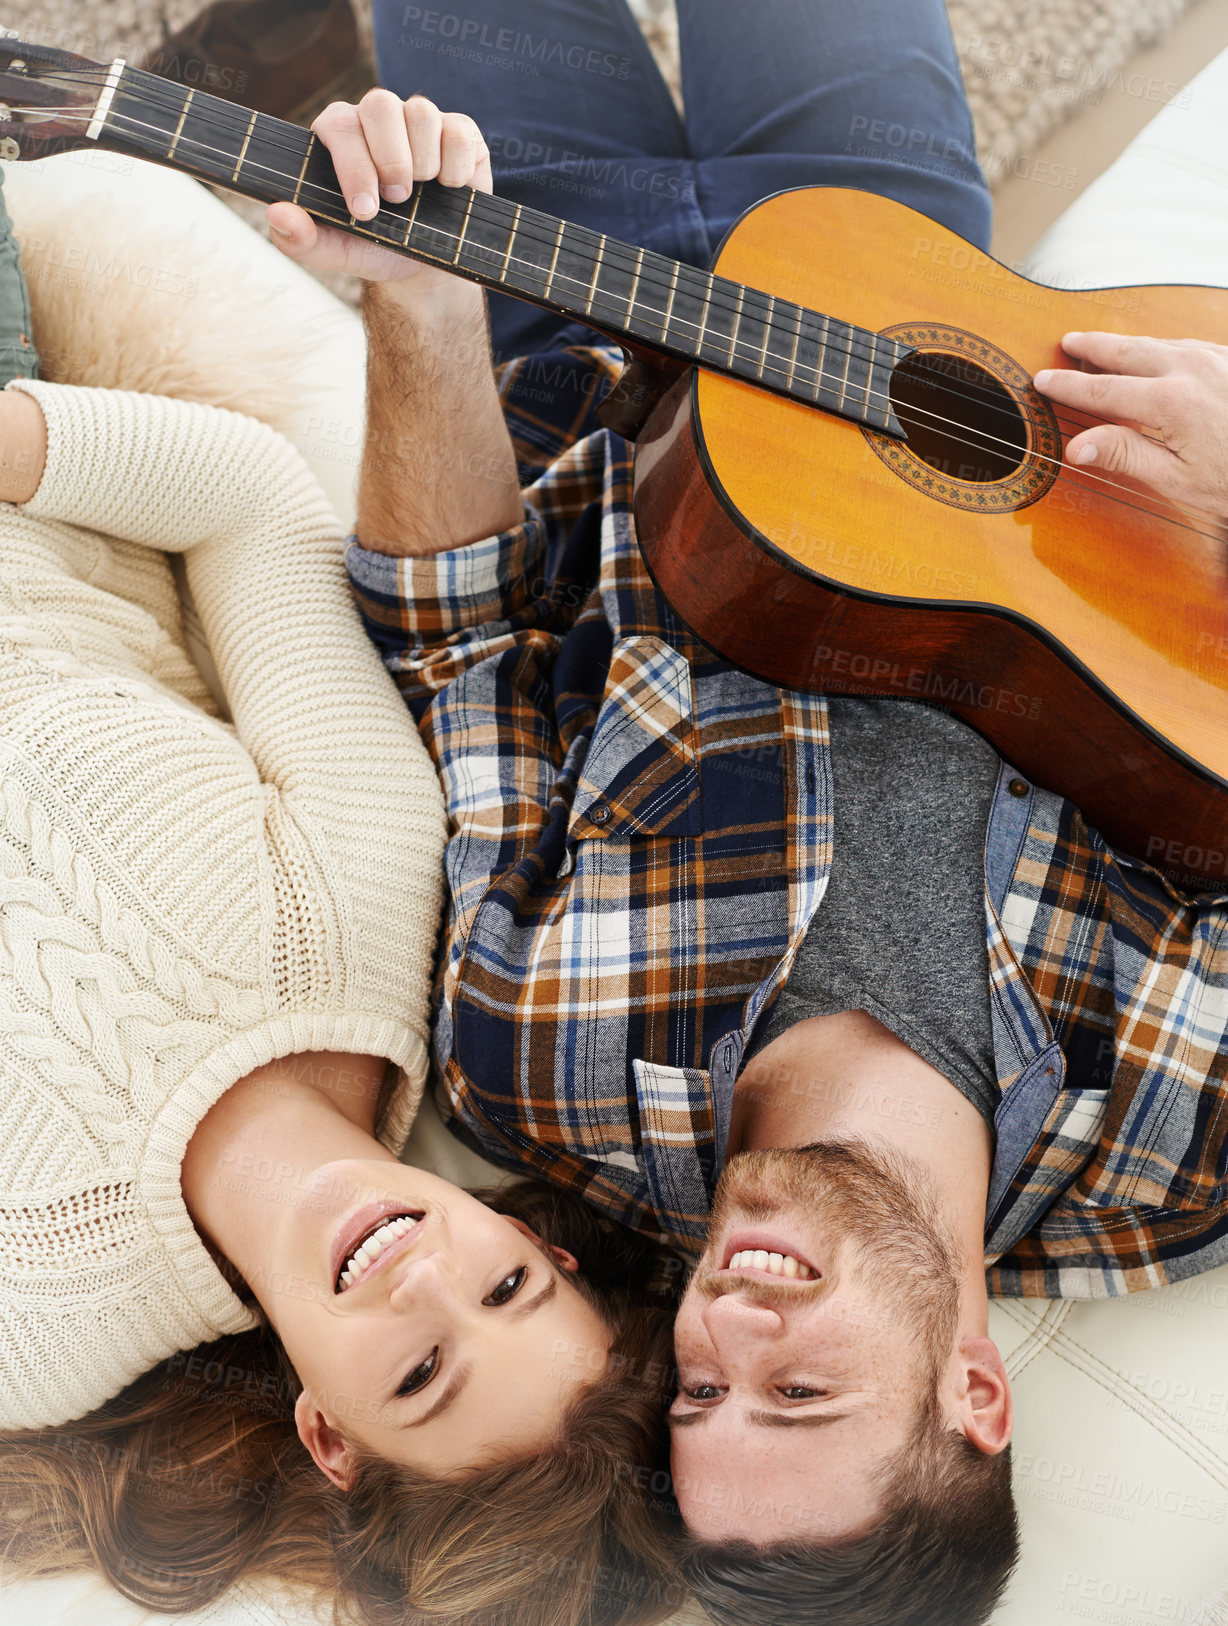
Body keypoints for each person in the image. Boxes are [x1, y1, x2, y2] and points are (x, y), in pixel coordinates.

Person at [264, 0, 1228, 1619]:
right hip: (892, 284)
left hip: (559, 294)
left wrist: (421, 303)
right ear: (975, 1393)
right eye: (802, 1394)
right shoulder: (1185, 1138)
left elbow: (460, 650)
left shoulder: (541, 1079)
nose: (726, 1333)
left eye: (701, 1394)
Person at [0, 171, 679, 1626]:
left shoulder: (31, 1331)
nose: (423, 1277)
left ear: (329, 1434)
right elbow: (252, 502)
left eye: (418, 1374)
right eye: (504, 1292)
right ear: (539, 1247)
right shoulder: (371, 909)